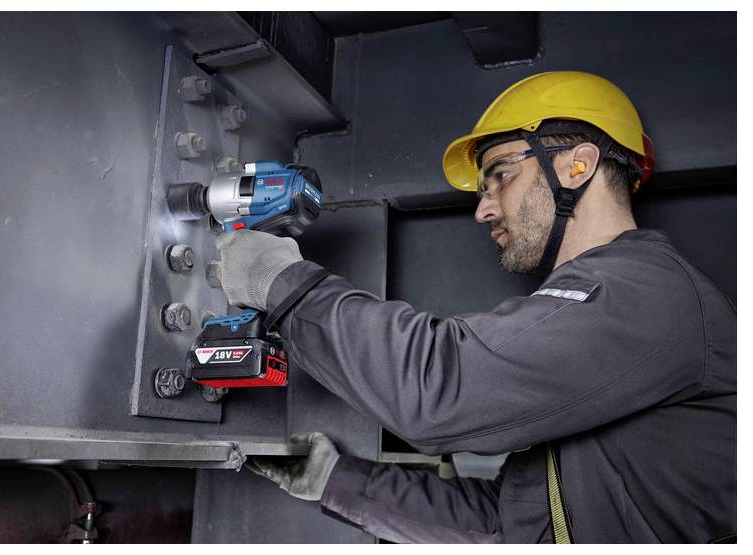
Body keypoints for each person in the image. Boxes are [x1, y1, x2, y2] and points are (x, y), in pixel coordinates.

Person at [214, 71, 736, 543]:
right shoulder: (609, 305)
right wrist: (335, 482)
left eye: (501, 174)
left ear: (577, 167)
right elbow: (509, 525)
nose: (484, 207)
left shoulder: (649, 295)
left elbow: (443, 388)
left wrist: (281, 283)